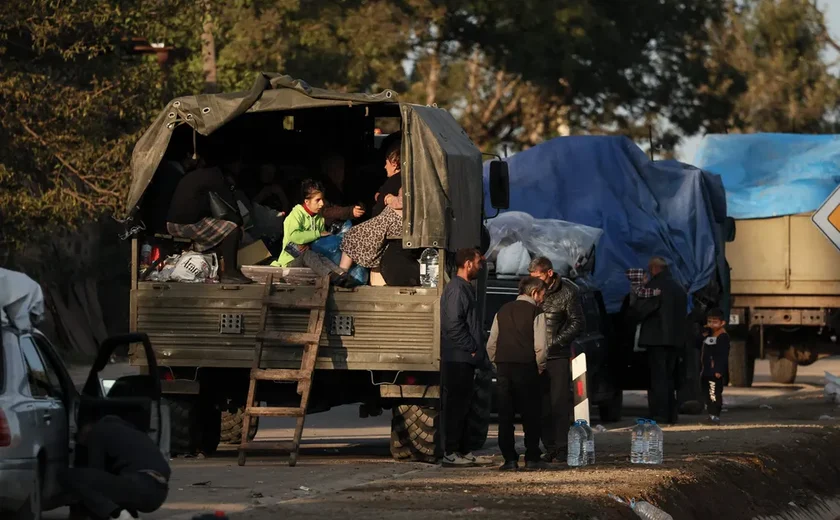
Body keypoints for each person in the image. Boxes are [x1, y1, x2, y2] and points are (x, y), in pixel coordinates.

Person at [487, 276, 549, 471]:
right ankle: (532, 457)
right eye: (542, 295)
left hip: (505, 367)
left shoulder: (502, 310)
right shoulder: (536, 312)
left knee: (506, 415)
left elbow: (491, 344)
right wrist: (540, 366)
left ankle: (509, 459)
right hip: (527, 367)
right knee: (531, 414)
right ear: (534, 293)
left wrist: (497, 364)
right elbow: (541, 346)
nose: (543, 299)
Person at [527, 256, 584, 463]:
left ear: (549, 273)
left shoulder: (568, 291)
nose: (536, 282)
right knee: (541, 405)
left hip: (557, 355)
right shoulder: (532, 291)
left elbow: (577, 323)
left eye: (538, 277)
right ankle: (549, 446)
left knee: (558, 403)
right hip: (535, 355)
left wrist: (554, 343)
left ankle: (561, 447)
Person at [61, 415, 170, 520]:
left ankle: (117, 515)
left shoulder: (98, 431)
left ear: (85, 429)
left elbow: (95, 475)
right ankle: (129, 515)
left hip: (139, 484)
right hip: (159, 494)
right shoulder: (135, 433)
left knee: (68, 475)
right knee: (117, 482)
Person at [166, 163, 252, 284]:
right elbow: (230, 207)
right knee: (232, 229)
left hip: (173, 223)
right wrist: (241, 225)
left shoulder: (199, 175)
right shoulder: (217, 177)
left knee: (219, 228)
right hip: (184, 225)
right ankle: (230, 273)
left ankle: (218, 268)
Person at [439, 247, 486, 466]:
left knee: (466, 406)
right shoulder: (457, 289)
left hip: (466, 358)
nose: (480, 266)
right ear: (467, 264)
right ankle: (451, 451)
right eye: (478, 262)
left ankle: (463, 450)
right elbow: (452, 325)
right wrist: (471, 347)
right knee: (456, 407)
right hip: (458, 358)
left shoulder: (466, 288)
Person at [633, 256, 688, 424]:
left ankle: (660, 414)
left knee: (658, 379)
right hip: (675, 340)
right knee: (670, 377)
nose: (649, 272)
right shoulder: (679, 287)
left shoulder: (654, 287)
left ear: (655, 269)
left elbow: (641, 311)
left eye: (650, 269)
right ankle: (671, 414)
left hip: (656, 340)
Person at [271, 179, 349, 285]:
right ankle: (330, 277)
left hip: (312, 258)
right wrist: (317, 233)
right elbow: (294, 236)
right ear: (307, 201)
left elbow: (319, 241)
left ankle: (341, 275)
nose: (322, 204)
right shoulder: (296, 215)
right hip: (290, 262)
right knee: (308, 255)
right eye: (317, 200)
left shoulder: (319, 217)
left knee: (321, 256)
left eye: (322, 199)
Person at [337, 188, 404, 273]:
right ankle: (343, 272)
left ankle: (342, 273)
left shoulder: (410, 182)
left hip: (392, 223)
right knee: (353, 233)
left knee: (352, 234)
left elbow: (401, 202)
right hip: (386, 223)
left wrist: (388, 198)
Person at [319, 153, 365, 228]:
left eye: (340, 168)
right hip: (333, 228)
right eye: (333, 168)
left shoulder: (348, 185)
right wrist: (349, 211)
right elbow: (326, 211)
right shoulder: (323, 189)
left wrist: (360, 207)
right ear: (327, 171)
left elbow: (357, 202)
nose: (338, 172)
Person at [701, 308, 730, 424]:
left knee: (714, 393)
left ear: (722, 323)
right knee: (707, 393)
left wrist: (718, 369)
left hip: (714, 371)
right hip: (707, 370)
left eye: (715, 322)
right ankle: (710, 414)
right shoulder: (710, 335)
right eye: (709, 321)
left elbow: (722, 355)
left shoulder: (722, 336)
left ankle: (715, 416)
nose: (711, 324)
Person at [371, 139, 402, 218]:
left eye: (386, 163)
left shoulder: (393, 182)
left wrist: (380, 197)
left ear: (394, 165)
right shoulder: (403, 179)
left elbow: (379, 209)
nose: (385, 167)